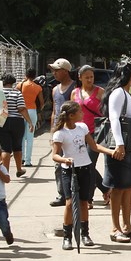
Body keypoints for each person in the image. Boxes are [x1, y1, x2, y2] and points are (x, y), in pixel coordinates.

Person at [51, 101, 115, 250]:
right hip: (69, 170)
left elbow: (93, 146)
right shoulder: (60, 133)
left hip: (85, 168)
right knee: (69, 203)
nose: (82, 113)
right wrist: (65, 160)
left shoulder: (83, 128)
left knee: (83, 202)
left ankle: (84, 234)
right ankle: (67, 237)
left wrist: (110, 151)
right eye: (79, 112)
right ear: (72, 115)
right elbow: (55, 155)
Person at [101, 62, 131, 243]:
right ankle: (115, 228)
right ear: (129, 77)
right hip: (120, 147)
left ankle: (127, 226)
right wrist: (119, 144)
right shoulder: (118, 93)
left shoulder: (126, 94)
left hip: (129, 147)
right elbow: (114, 118)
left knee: (128, 187)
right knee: (118, 188)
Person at [71, 65, 110, 208]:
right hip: (78, 133)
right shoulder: (75, 93)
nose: (89, 79)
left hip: (96, 133)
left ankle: (88, 198)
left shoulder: (100, 92)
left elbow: (108, 111)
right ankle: (105, 189)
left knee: (88, 164)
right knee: (85, 165)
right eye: (86, 77)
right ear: (80, 77)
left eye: (92, 77)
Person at [0, 73, 34, 178]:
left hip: (1, 121)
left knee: (5, 148)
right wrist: (29, 122)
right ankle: (19, 169)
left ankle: (5, 173)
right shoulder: (17, 93)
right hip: (16, 122)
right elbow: (21, 108)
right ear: (12, 83)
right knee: (17, 146)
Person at [48, 58, 76, 207]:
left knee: (76, 162)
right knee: (57, 163)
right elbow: (54, 111)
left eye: (56, 70)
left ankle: (78, 192)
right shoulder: (54, 90)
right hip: (58, 131)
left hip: (70, 131)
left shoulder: (74, 88)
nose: (54, 73)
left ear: (65, 71)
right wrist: (52, 132)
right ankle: (62, 194)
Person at [17, 68, 43, 167]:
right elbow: (41, 102)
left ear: (26, 75)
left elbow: (15, 95)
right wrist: (40, 111)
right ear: (35, 76)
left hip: (21, 111)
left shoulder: (20, 85)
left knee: (22, 136)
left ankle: (22, 158)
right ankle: (28, 161)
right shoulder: (38, 87)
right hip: (32, 111)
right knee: (30, 137)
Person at [0, 144, 14, 249]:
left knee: (2, 221)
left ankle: (7, 233)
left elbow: (7, 180)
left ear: (1, 157)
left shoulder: (2, 168)